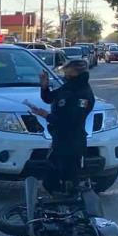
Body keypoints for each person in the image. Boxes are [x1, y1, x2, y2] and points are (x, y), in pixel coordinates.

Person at [28, 59, 95, 194]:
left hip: (72, 143)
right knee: (51, 178)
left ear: (75, 72)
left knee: (68, 179)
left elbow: (71, 122)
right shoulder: (68, 87)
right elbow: (50, 98)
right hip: (59, 139)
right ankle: (59, 205)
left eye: (67, 71)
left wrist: (47, 116)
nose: (65, 74)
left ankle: (71, 207)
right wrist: (44, 86)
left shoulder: (83, 93)